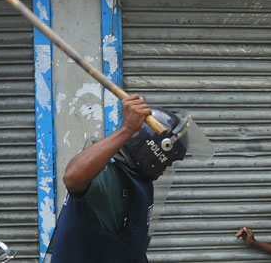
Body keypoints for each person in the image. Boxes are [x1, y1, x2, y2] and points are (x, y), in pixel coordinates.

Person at [50, 94, 189, 263]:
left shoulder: (137, 180)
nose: (166, 168)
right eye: (167, 161)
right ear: (154, 152)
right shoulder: (108, 172)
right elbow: (72, 177)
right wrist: (127, 128)